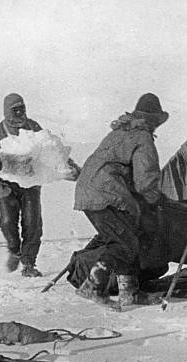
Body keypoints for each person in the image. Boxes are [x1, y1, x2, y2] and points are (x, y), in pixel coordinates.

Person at [74, 93, 167, 309]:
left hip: (89, 190)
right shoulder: (143, 138)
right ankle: (93, 286)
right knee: (123, 243)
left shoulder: (120, 132)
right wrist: (156, 200)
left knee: (127, 238)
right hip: (105, 193)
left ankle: (129, 292)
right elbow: (146, 180)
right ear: (152, 120)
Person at [0, 93, 44, 277]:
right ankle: (14, 250)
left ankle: (29, 263)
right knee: (8, 222)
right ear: (7, 111)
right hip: (6, 185)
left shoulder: (33, 127)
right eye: (14, 109)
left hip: (30, 184)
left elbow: (49, 148)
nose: (19, 113)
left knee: (32, 223)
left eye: (21, 108)